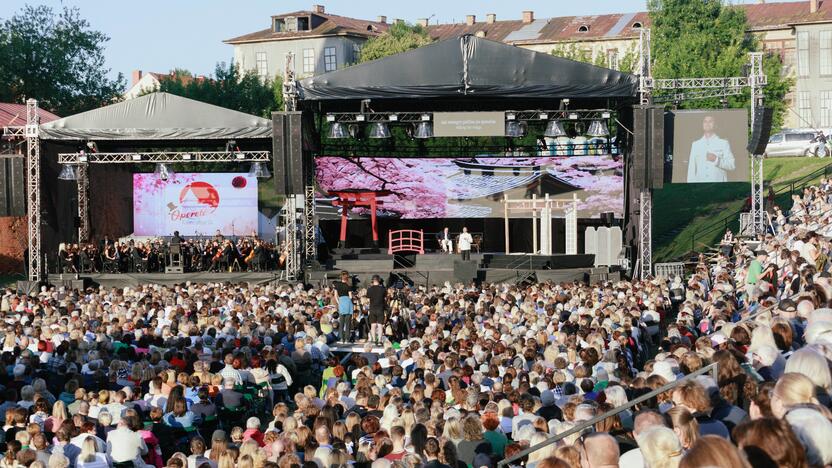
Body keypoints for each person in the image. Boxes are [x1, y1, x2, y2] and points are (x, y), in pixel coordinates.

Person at [686, 115, 736, 183]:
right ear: (702, 125)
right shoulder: (695, 144)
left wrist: (717, 160)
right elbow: (691, 169)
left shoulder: (723, 143)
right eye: (705, 121)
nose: (707, 124)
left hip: (718, 186)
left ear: (715, 125)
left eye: (710, 121)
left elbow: (732, 165)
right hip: (700, 187)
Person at [333, 271, 354, 343]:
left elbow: (335, 296)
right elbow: (350, 296)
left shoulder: (337, 285)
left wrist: (339, 303)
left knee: (341, 322)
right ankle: (347, 339)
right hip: (348, 302)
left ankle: (341, 338)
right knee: (348, 323)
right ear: (347, 277)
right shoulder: (348, 285)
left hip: (341, 302)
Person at [366, 275, 386, 346]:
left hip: (372, 309)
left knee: (373, 325)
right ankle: (380, 341)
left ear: (372, 280)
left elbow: (368, 300)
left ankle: (374, 340)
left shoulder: (369, 289)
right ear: (379, 280)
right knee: (380, 325)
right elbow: (385, 299)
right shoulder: (383, 289)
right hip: (380, 309)